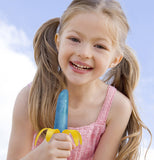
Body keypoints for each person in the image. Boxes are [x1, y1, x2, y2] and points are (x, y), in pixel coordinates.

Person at [7, 0, 152, 160]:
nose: (84, 53)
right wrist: (40, 155)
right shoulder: (29, 98)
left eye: (100, 46)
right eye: (74, 39)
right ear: (58, 41)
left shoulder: (118, 107)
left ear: (115, 60)